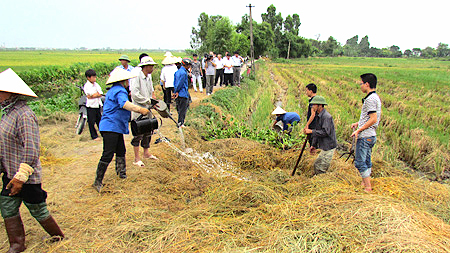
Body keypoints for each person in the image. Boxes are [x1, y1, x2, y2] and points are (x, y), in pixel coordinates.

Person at [0, 68, 64, 252]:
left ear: (11, 93)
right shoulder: (7, 113)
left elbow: (31, 149)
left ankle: (58, 236)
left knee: (37, 209)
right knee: (7, 206)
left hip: (25, 175)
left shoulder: (24, 115)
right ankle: (17, 244)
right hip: (9, 171)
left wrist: (21, 177)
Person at [92, 68, 150, 193]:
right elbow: (125, 104)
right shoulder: (120, 91)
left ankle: (121, 174)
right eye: (127, 80)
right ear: (123, 81)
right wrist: (140, 110)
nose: (128, 82)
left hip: (114, 126)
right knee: (108, 153)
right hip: (111, 126)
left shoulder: (114, 90)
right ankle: (98, 181)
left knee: (120, 150)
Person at [351, 73, 381, 192]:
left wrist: (359, 130)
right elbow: (370, 117)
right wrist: (358, 123)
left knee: (359, 162)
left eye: (361, 83)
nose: (360, 86)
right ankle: (365, 183)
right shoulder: (375, 97)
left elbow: (373, 118)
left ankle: (368, 187)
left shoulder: (370, 99)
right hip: (371, 135)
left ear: (367, 84)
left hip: (366, 136)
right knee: (367, 160)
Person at [130, 56, 159, 167]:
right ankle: (137, 158)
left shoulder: (149, 77)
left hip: (148, 108)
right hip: (139, 109)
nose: (152, 68)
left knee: (149, 130)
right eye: (151, 66)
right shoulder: (137, 77)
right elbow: (135, 94)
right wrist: (147, 101)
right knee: (139, 133)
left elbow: (151, 91)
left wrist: (153, 103)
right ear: (145, 66)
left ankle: (146, 153)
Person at [304, 96, 337, 175]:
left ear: (320, 105)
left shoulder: (326, 117)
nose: (312, 107)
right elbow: (317, 131)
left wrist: (311, 131)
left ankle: (321, 183)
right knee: (317, 165)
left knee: (321, 168)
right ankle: (318, 179)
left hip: (328, 146)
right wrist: (313, 145)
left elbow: (325, 132)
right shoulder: (318, 116)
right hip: (324, 146)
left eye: (314, 105)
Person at [83, 69, 103, 140]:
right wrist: (95, 94)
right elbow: (89, 96)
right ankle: (94, 136)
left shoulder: (96, 84)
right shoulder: (86, 86)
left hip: (97, 104)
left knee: (99, 120)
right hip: (91, 106)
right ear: (88, 78)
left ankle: (102, 133)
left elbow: (100, 93)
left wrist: (95, 95)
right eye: (93, 77)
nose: (95, 78)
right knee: (91, 121)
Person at [173, 58, 191, 127]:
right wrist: (177, 91)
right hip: (182, 93)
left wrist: (175, 91)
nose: (189, 67)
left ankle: (180, 121)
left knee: (179, 108)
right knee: (183, 109)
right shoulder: (184, 73)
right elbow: (180, 83)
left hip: (178, 93)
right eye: (188, 65)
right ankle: (181, 123)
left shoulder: (177, 72)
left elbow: (175, 82)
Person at [304, 83, 318, 152]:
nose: (306, 92)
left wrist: (307, 125)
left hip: (313, 125)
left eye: (307, 90)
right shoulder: (316, 100)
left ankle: (313, 154)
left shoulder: (314, 101)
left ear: (311, 91)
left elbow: (313, 115)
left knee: (313, 142)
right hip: (315, 124)